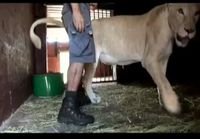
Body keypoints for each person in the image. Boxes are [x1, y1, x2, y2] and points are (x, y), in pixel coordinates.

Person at [57, 3, 98, 126]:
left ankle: (75, 97)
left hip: (78, 8)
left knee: (79, 54)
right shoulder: (76, 9)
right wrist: (76, 10)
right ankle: (68, 108)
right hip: (76, 8)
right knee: (79, 56)